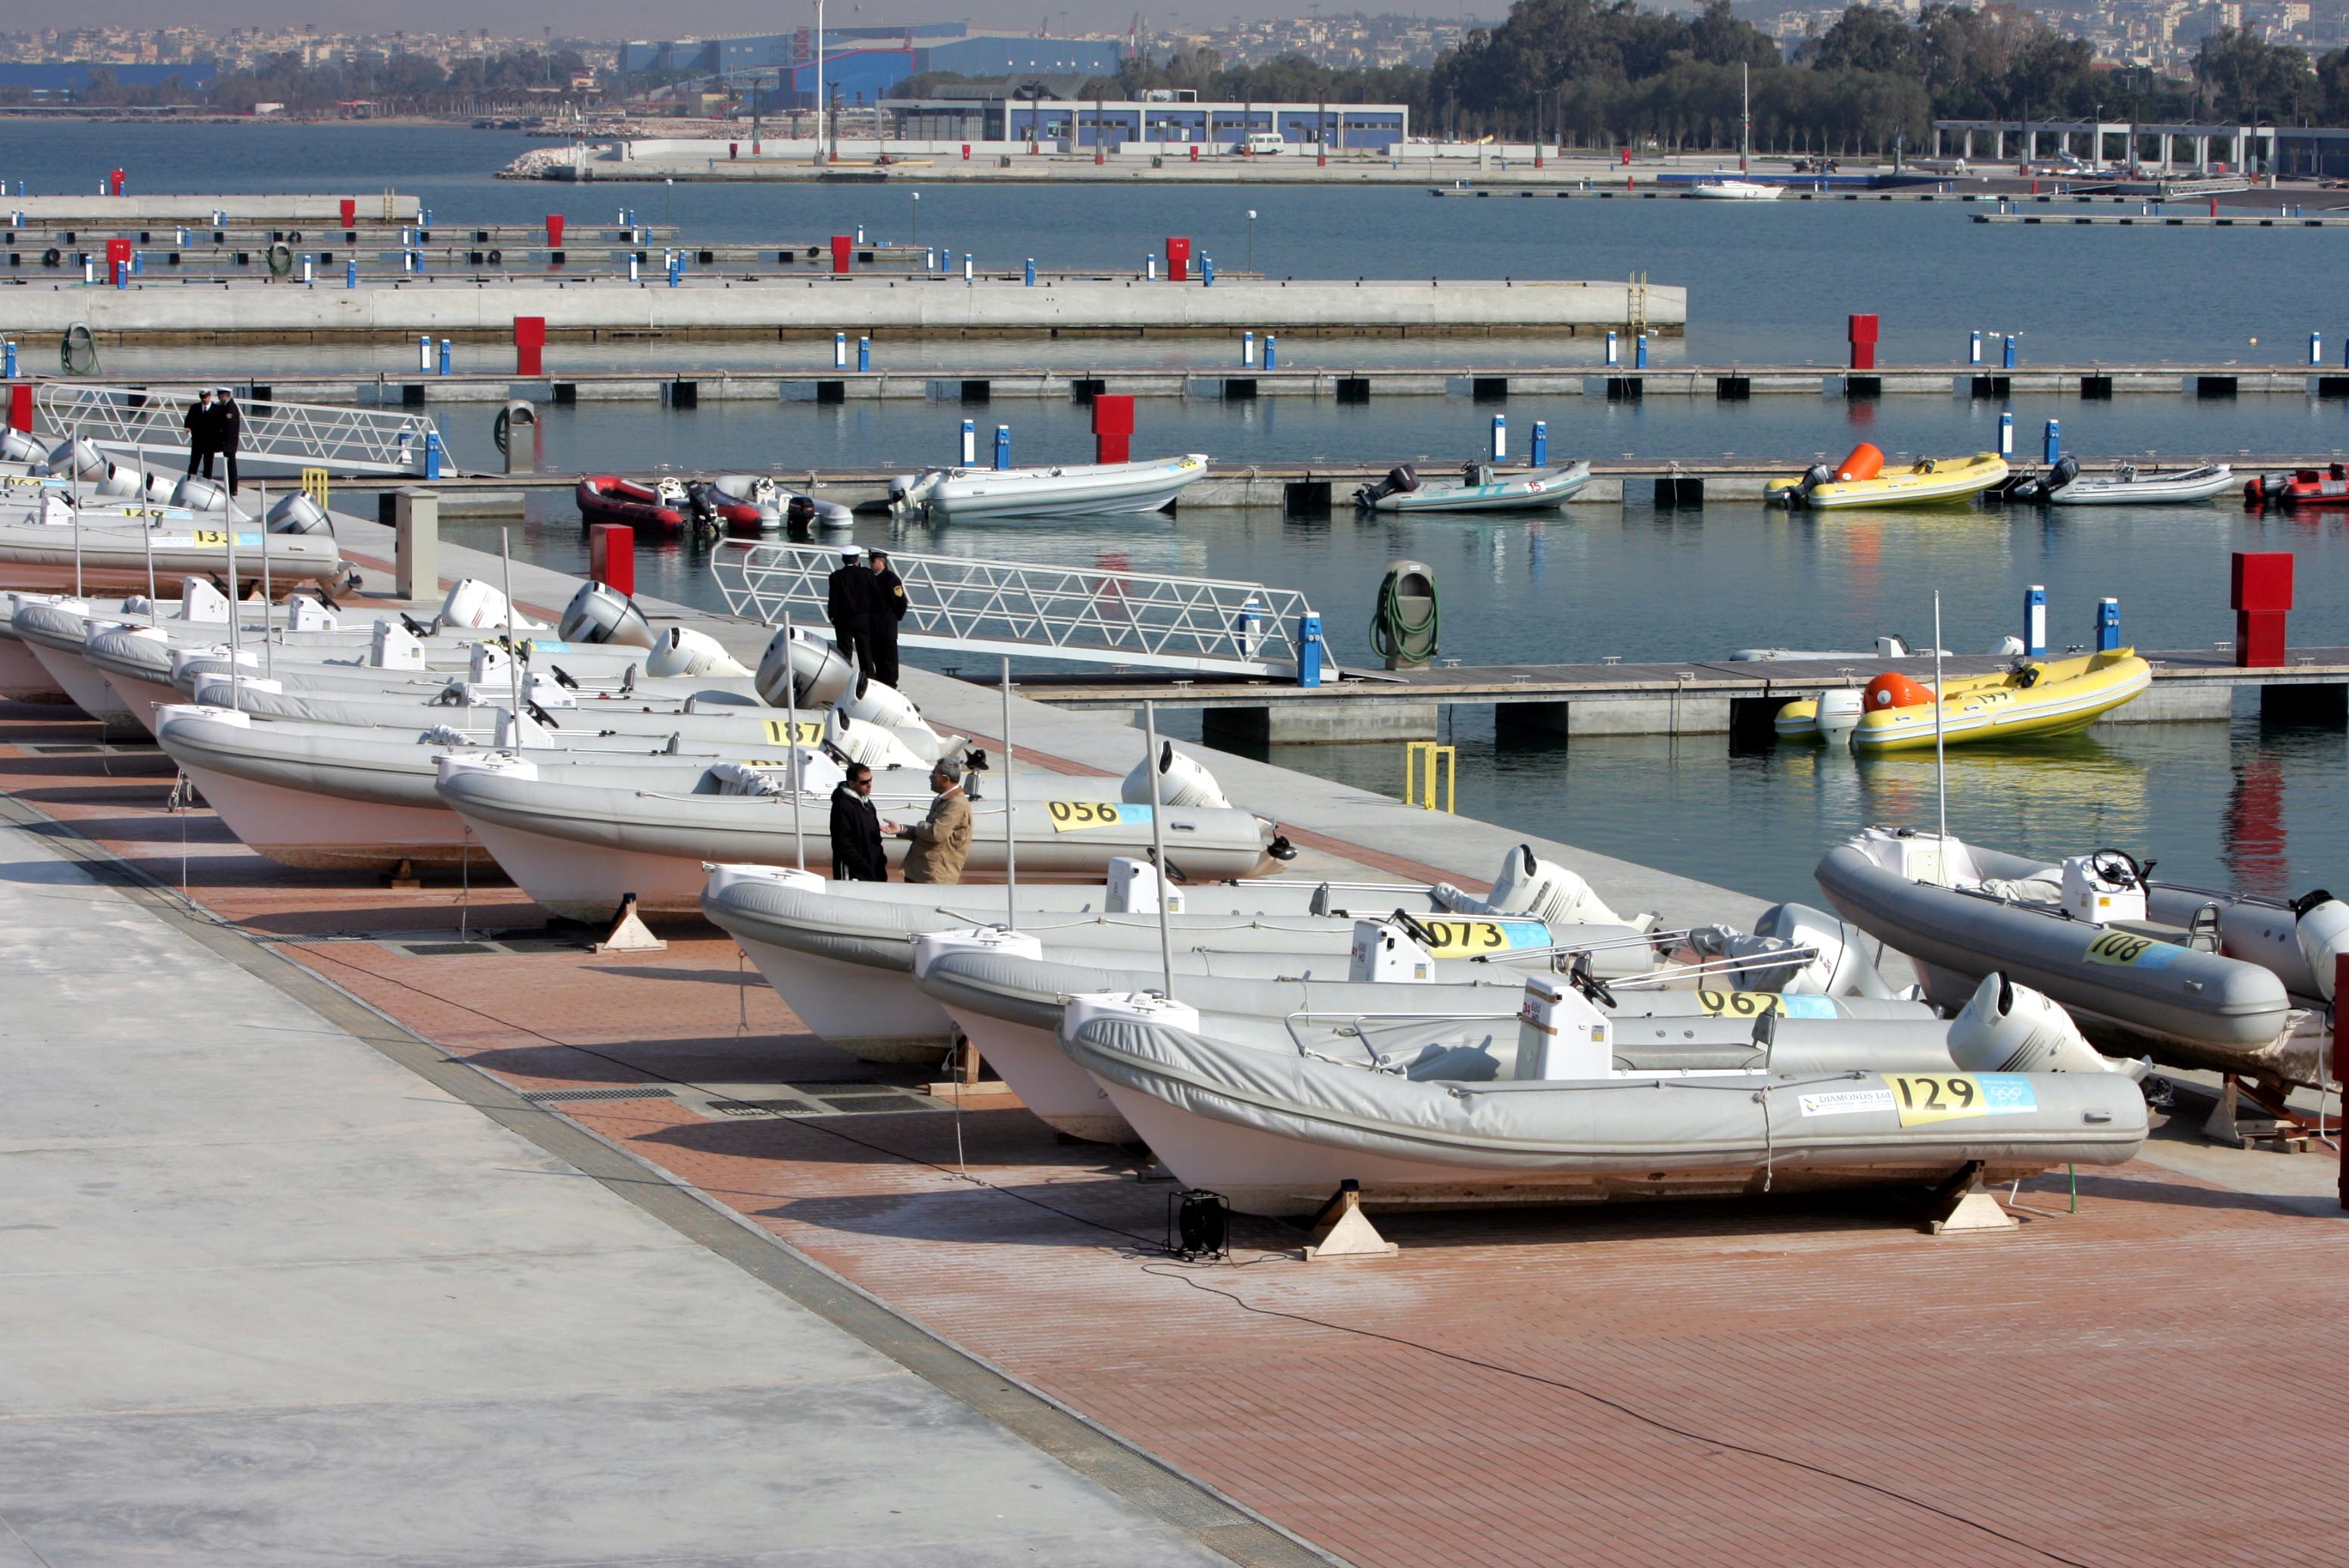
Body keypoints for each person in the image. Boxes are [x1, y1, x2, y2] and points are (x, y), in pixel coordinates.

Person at [898, 761, 972, 885]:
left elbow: (936, 833)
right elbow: (927, 833)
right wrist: (901, 829)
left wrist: (920, 825)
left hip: (935, 876)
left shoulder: (956, 804)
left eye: (934, 774)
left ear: (945, 779)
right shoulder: (943, 800)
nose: (931, 777)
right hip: (922, 872)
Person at [828, 761, 896, 882]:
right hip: (854, 873)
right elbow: (842, 844)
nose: (869, 785)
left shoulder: (867, 804)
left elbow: (875, 838)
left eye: (871, 780)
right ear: (852, 783)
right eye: (864, 782)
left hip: (874, 871)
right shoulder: (842, 805)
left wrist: (880, 860)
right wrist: (863, 866)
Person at [825, 543, 881, 677]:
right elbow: (876, 596)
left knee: (844, 651)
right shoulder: (867, 574)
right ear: (857, 559)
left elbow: (833, 599)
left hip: (843, 619)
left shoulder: (836, 576)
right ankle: (869, 678)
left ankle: (842, 677)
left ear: (844, 559)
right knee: (865, 651)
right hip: (863, 618)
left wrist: (832, 616)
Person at [866, 548, 907, 686]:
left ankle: (890, 684)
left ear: (882, 561)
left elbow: (900, 602)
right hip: (873, 626)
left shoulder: (891, 579)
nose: (870, 564)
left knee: (888, 659)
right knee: (876, 657)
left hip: (886, 627)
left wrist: (892, 618)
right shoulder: (869, 577)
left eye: (873, 561)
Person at [212, 387, 243, 496]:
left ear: (224, 395)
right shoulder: (225, 406)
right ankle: (230, 487)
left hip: (229, 443)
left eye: (220, 396)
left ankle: (233, 489)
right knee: (229, 465)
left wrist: (225, 443)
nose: (219, 398)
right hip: (227, 443)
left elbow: (229, 428)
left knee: (231, 466)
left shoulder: (231, 408)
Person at [182, 388, 216, 478]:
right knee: (194, 463)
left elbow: (220, 424)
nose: (204, 399)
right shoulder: (195, 408)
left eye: (205, 397)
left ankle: (207, 481)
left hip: (210, 442)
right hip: (197, 441)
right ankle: (190, 479)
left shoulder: (216, 409)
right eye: (202, 397)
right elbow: (188, 420)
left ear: (210, 396)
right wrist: (187, 427)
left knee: (208, 464)